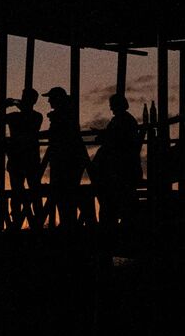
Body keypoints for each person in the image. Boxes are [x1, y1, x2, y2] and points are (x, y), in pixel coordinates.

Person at [0, 87, 43, 228]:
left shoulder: (17, 116)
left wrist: (4, 106)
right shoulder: (37, 116)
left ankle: (19, 221)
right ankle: (35, 220)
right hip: (29, 158)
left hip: (18, 158)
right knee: (31, 189)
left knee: (19, 190)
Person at [92, 94, 141, 231]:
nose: (111, 108)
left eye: (112, 105)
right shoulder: (123, 120)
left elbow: (116, 140)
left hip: (119, 171)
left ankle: (111, 228)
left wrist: (103, 136)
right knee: (114, 202)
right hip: (119, 170)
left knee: (112, 202)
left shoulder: (122, 121)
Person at [43, 87, 89, 228]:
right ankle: (70, 222)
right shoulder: (67, 113)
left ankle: (68, 223)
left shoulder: (61, 115)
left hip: (65, 159)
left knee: (63, 191)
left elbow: (57, 133)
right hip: (69, 159)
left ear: (57, 99)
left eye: (51, 98)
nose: (49, 100)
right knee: (66, 191)